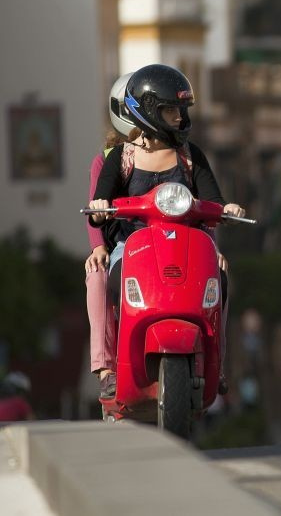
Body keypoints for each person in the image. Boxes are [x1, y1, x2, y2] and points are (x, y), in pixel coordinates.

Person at [87, 64, 245, 393]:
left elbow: (213, 202)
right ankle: (107, 369)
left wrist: (227, 210)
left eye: (181, 110)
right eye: (170, 110)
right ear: (147, 112)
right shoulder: (120, 157)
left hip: (186, 246)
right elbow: (100, 201)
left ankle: (216, 362)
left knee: (220, 277)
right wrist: (100, 209)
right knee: (106, 279)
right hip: (133, 247)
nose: (179, 118)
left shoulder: (191, 156)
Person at [85, 73, 134, 398]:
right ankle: (105, 368)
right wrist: (98, 247)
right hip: (123, 245)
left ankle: (213, 363)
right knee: (98, 275)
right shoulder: (106, 159)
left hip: (167, 243)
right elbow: (93, 209)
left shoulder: (177, 155)